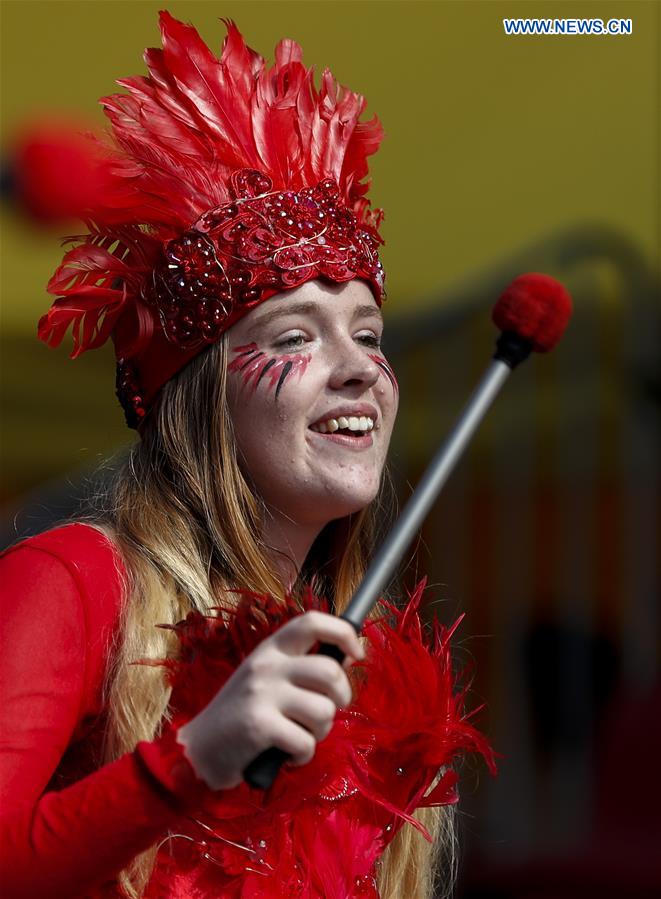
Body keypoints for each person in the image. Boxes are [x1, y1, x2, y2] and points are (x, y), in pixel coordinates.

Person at [0, 12, 493, 899]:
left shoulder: (367, 670)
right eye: (297, 335)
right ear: (201, 397)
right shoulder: (73, 581)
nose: (359, 371)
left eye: (370, 334)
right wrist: (187, 762)